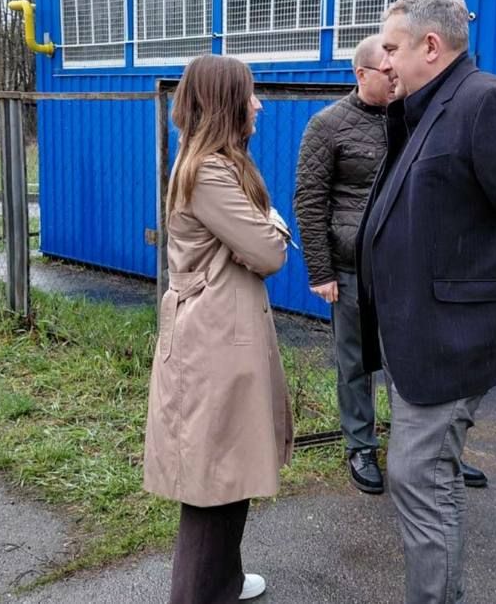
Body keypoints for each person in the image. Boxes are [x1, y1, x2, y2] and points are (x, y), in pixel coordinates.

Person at [358, 0, 496, 603]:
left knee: (418, 476)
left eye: (392, 48)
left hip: (452, 338)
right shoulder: (421, 109)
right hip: (415, 336)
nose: (384, 61)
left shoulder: (487, 102)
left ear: (431, 45)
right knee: (425, 475)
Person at [293, 35, 487, 495]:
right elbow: (310, 200)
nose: (395, 74)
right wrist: (321, 271)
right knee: (355, 362)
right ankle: (360, 445)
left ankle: (429, 451)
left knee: (418, 361)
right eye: (387, 70)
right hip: (352, 270)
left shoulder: (416, 118)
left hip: (410, 269)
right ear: (362, 74)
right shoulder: (328, 125)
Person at [143, 54, 294, 604]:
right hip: (212, 346)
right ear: (226, 103)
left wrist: (258, 228)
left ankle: (224, 582)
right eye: (249, 94)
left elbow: (253, 244)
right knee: (212, 484)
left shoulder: (217, 164)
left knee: (228, 471)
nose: (259, 104)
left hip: (221, 337)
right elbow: (268, 251)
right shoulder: (208, 171)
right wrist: (271, 222)